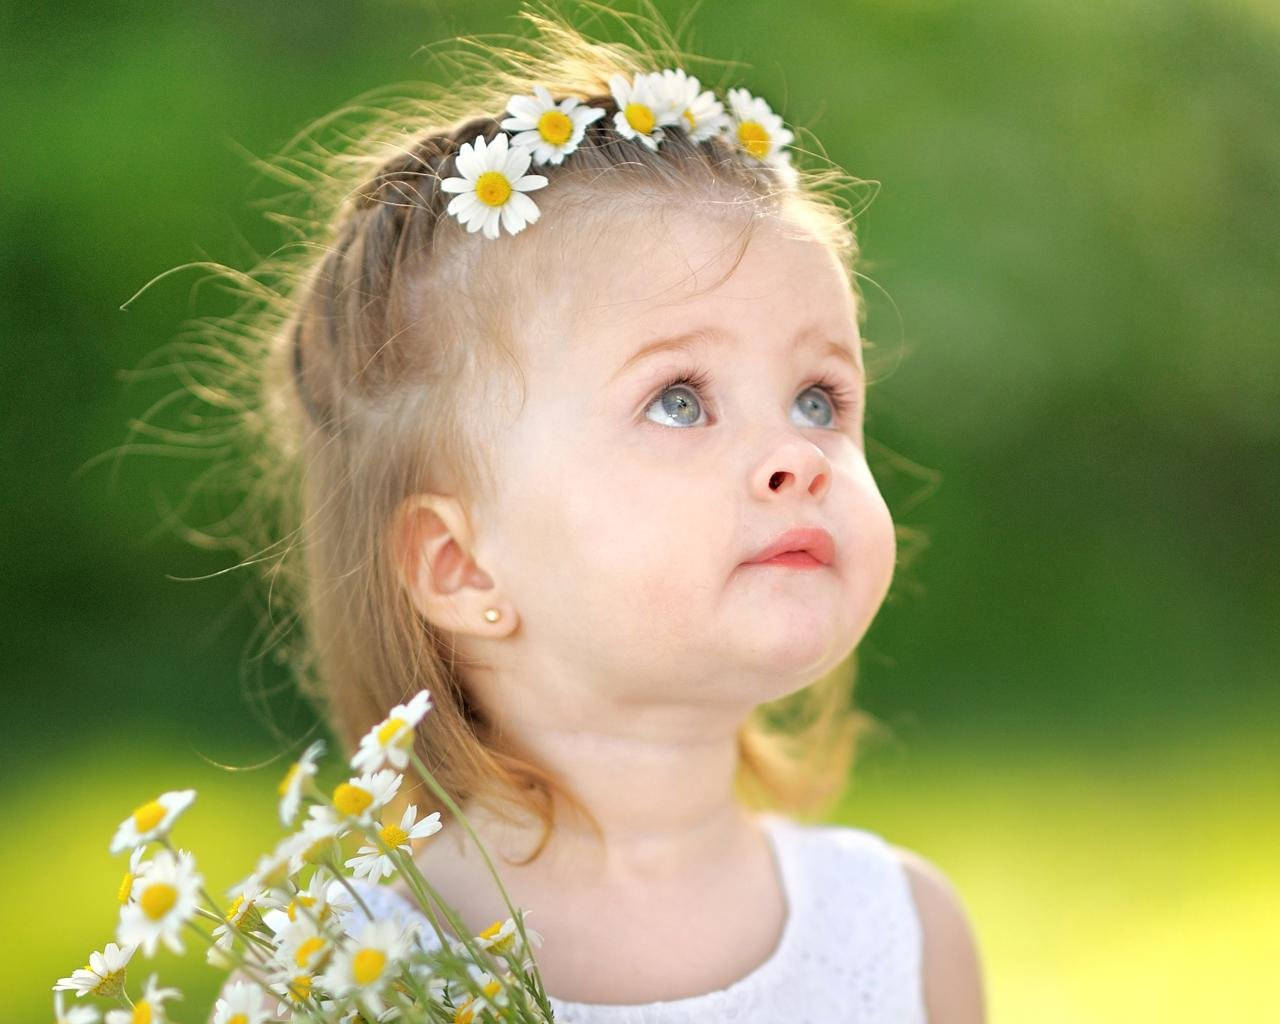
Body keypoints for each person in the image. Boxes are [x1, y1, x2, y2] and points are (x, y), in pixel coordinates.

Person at [204, 2, 985, 1020]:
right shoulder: (346, 968)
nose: (796, 454)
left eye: (817, 399)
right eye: (677, 400)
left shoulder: (900, 932)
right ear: (461, 566)